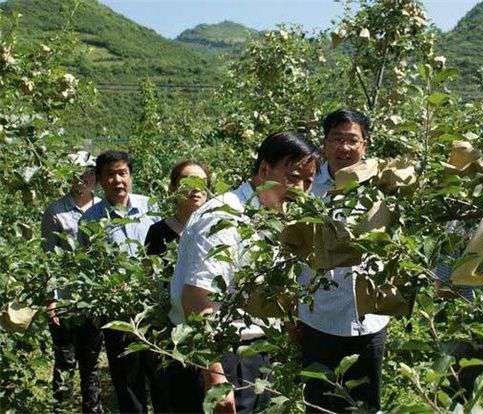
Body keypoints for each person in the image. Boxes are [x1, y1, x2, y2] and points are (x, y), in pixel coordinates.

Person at [170, 132, 318, 413]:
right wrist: (215, 377)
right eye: (293, 177)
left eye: (308, 182)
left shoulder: (272, 218)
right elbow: (196, 299)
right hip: (223, 359)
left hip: (254, 357)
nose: (300, 189)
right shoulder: (225, 217)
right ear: (264, 169)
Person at [297, 109, 389, 412]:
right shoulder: (306, 187)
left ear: (365, 145)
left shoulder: (381, 185)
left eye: (353, 140)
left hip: (369, 320)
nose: (344, 148)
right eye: (337, 139)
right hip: (318, 317)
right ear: (324, 143)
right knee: (320, 405)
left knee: (365, 405)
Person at [79, 150, 160, 414]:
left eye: (122, 173)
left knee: (162, 378)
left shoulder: (152, 208)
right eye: (110, 175)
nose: (117, 180)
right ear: (100, 181)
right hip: (118, 313)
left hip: (155, 310)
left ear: (131, 176)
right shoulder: (90, 221)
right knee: (127, 383)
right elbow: (87, 268)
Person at [144, 160, 210, 413]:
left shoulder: (217, 230)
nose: (195, 189)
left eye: (201, 183)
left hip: (207, 327)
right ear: (173, 188)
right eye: (187, 182)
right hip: (171, 330)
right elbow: (150, 281)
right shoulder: (158, 232)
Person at [41, 151, 102, 414]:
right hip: (65, 298)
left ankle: (93, 408)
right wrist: (51, 298)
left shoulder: (103, 208)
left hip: (95, 297)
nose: (82, 179)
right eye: (76, 174)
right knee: (65, 360)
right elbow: (47, 258)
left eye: (88, 173)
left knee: (91, 362)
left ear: (95, 178)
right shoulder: (56, 211)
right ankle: (62, 408)